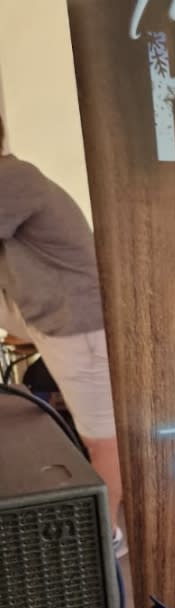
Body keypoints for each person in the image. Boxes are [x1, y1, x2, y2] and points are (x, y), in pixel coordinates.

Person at [0, 114, 125, 547]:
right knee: (100, 437)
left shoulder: (12, 178)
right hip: (63, 325)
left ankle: (106, 540)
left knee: (103, 442)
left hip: (81, 327)